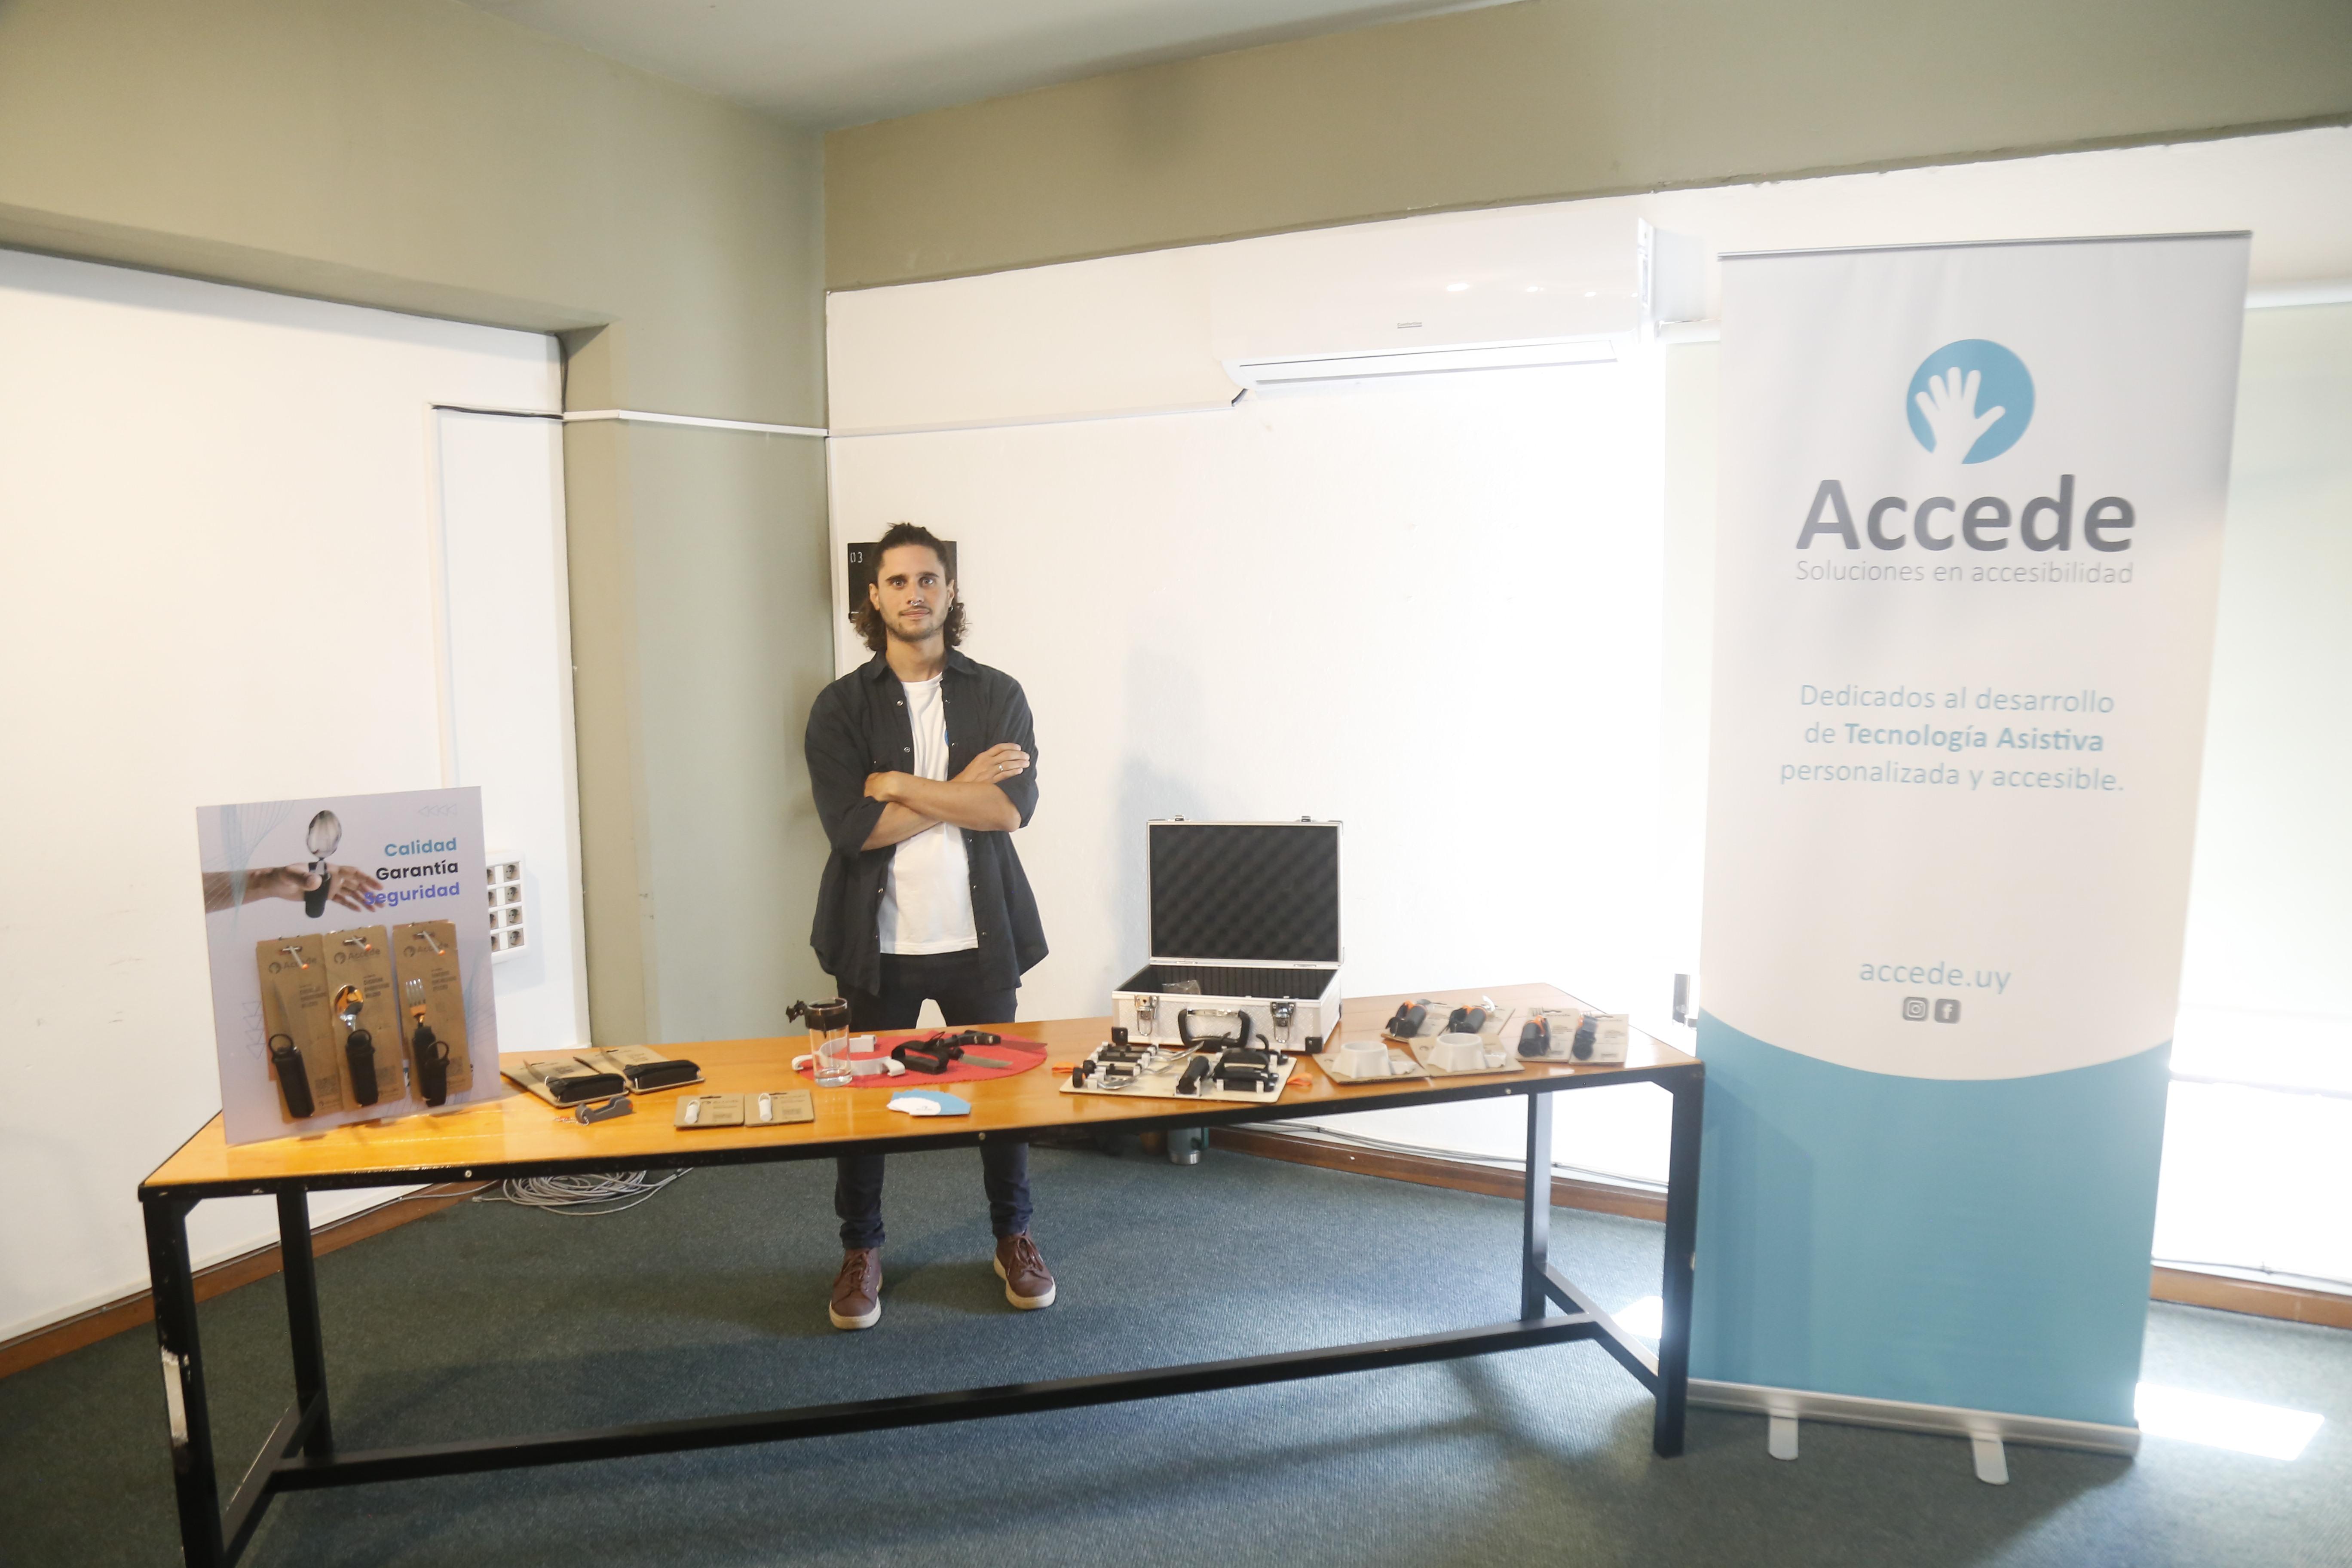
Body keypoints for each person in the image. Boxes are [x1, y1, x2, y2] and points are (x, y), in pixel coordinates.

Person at [802, 522, 1051, 1331]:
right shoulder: (840, 707)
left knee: (1001, 1105)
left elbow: (1007, 811)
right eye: (899, 581)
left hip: (982, 937)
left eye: (929, 579)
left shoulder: (997, 693)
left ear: (950, 592)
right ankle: (861, 1250)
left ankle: (1014, 1237)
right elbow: (854, 831)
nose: (916, 594)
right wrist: (958, 788)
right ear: (874, 598)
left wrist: (901, 784)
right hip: (877, 944)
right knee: (862, 1111)